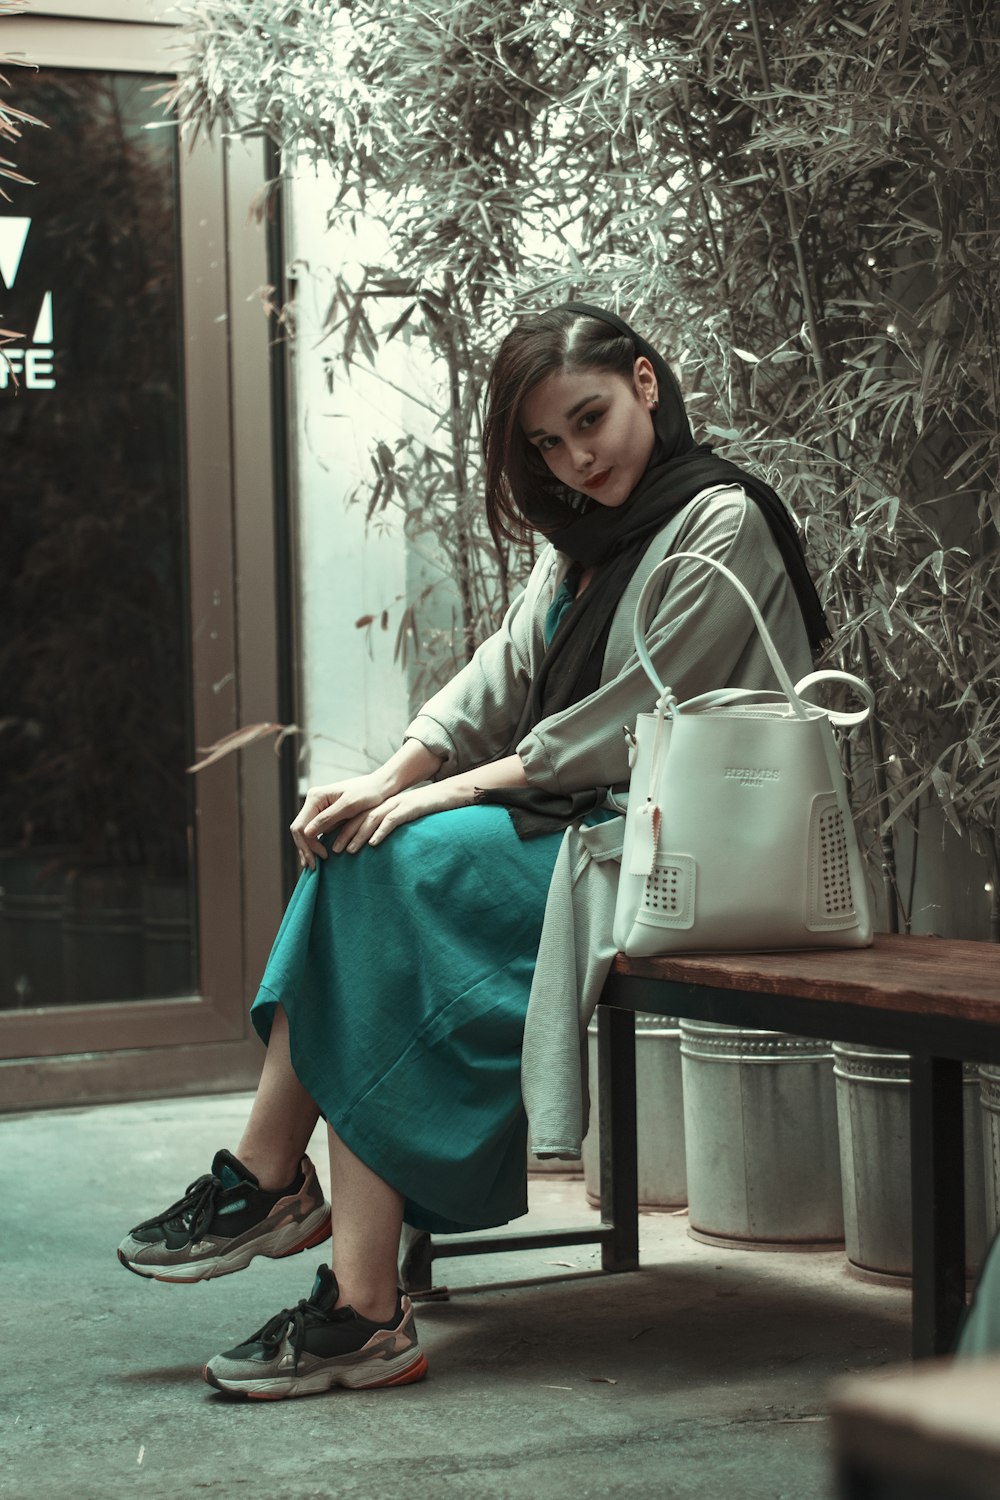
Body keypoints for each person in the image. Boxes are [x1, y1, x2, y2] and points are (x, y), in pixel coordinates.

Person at [117, 304, 829, 1400]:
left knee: (399, 868)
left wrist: (440, 795)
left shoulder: (719, 519)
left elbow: (624, 723)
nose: (574, 458)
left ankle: (289, 1207)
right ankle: (340, 1280)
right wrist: (393, 773)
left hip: (668, 850)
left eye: (588, 419)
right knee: (365, 850)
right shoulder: (588, 542)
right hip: (583, 828)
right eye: (546, 443)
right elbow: (498, 672)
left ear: (646, 381)